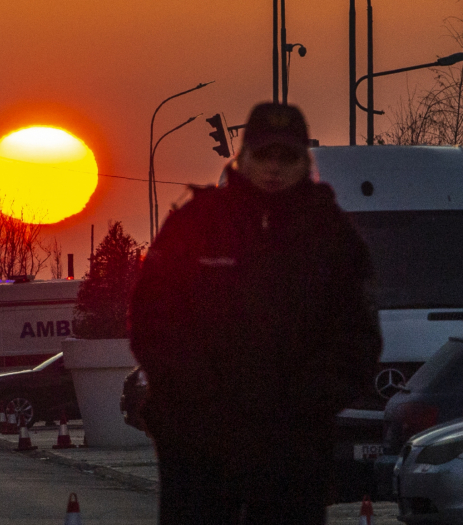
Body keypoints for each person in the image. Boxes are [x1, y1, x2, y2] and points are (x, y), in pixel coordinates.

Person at [129, 103, 383, 525]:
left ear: (306, 161)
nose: (274, 168)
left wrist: (308, 401)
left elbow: (358, 338)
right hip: (199, 443)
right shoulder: (196, 223)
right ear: (241, 157)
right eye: (264, 155)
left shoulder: (332, 235)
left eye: (288, 157)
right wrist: (193, 396)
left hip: (293, 447)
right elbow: (151, 321)